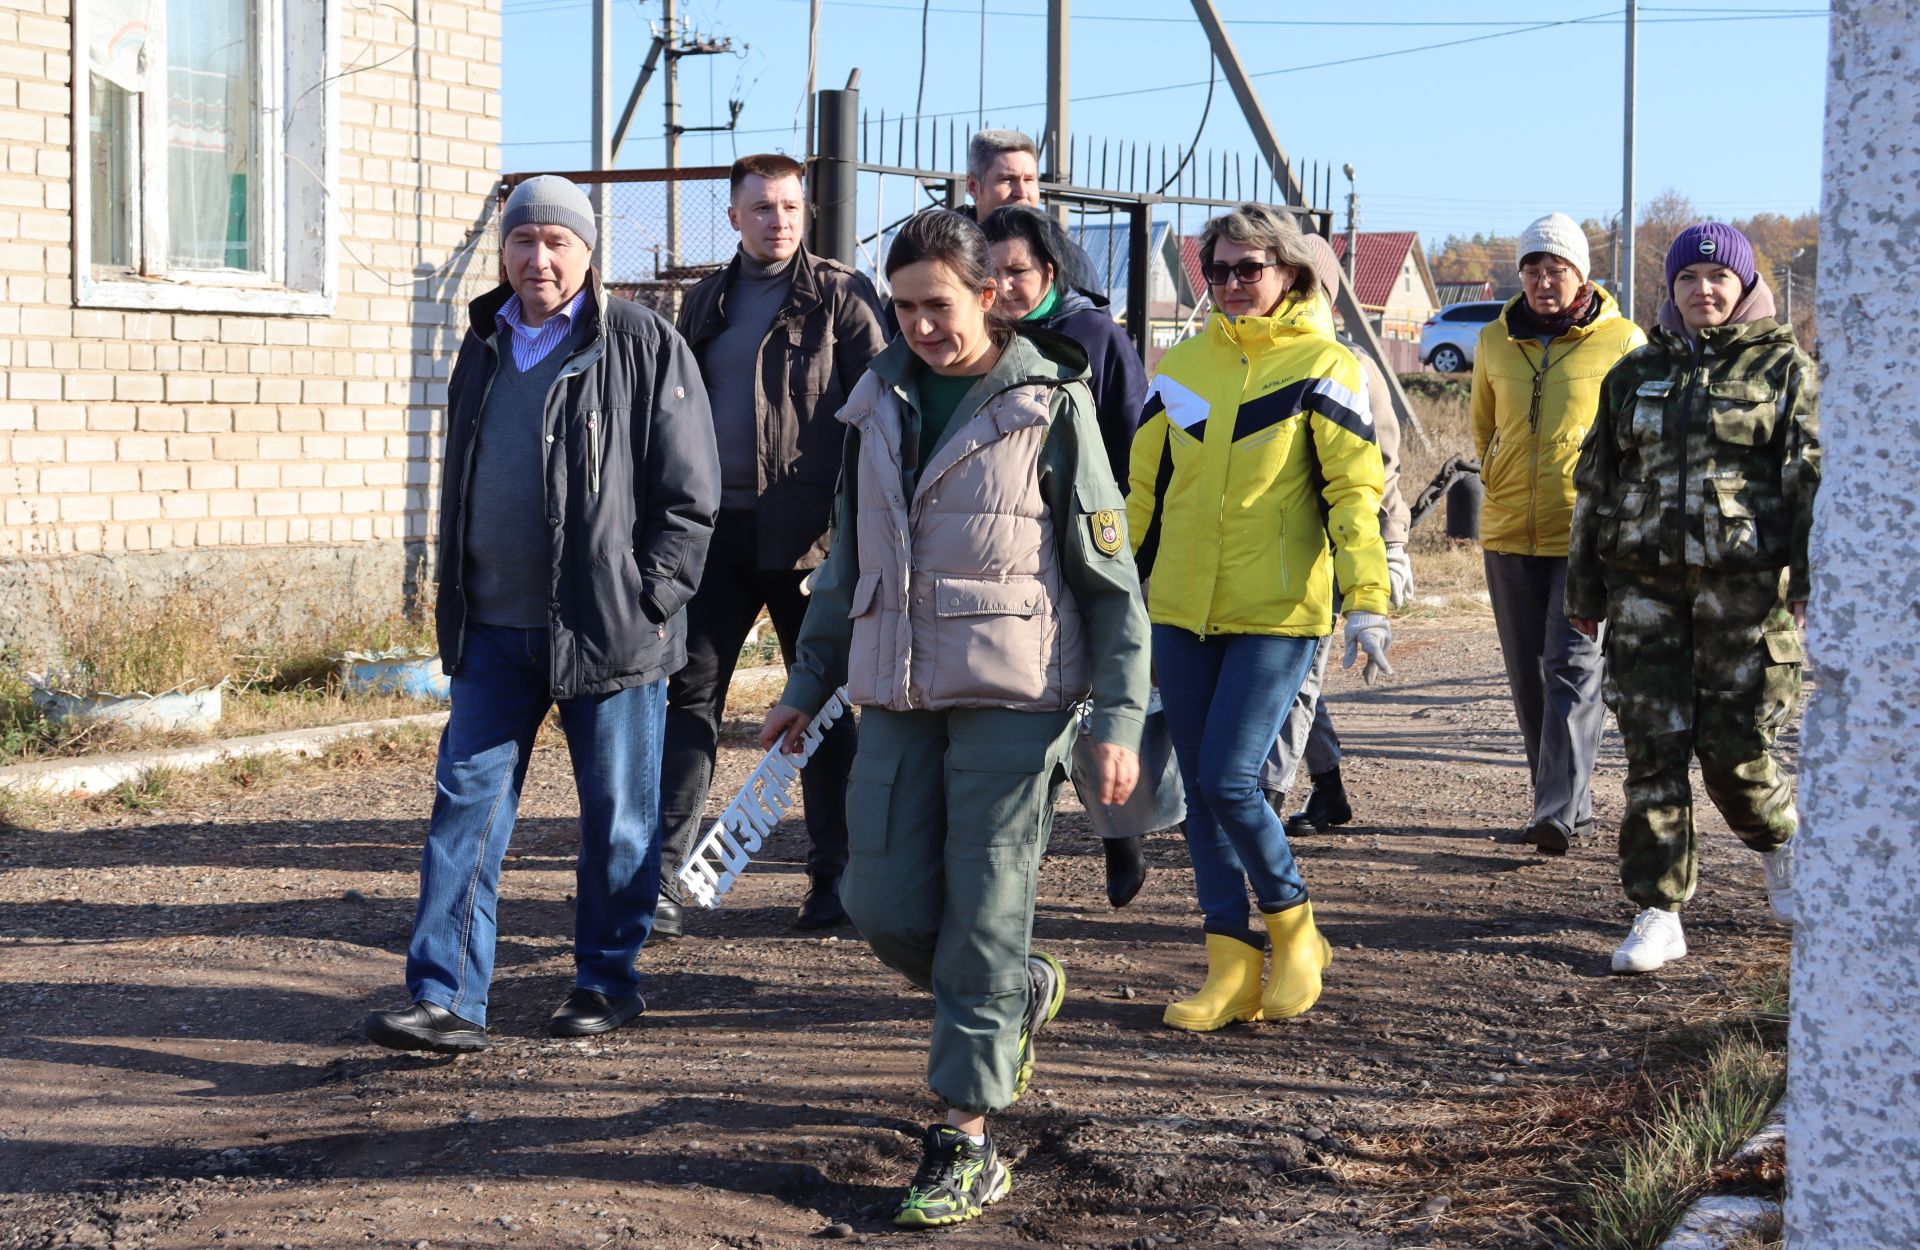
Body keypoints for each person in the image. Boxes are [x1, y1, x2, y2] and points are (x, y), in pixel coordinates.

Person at [760, 209, 1150, 1228]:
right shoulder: (875, 401)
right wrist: (805, 686)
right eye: (905, 306)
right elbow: (847, 565)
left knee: (981, 913)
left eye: (939, 303)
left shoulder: (1049, 403)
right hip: (893, 689)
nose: (922, 325)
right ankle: (1016, 987)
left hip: (1017, 700)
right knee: (879, 900)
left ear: (989, 294)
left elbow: (1111, 583)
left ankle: (966, 1138)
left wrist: (1118, 714)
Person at [363, 176, 718, 1053]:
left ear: (590, 253)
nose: (539, 258)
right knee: (465, 808)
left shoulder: (640, 341)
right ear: (504, 252)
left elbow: (690, 496)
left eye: (558, 242)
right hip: (492, 628)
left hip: (610, 631)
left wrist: (648, 598)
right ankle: (446, 996)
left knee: (617, 817)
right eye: (524, 241)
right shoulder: (483, 343)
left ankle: (607, 980)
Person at [1128, 204, 1392, 1033]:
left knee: (1230, 779)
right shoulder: (1180, 366)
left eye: (1251, 268)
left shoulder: (1328, 365)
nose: (1235, 283)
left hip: (1279, 612)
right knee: (1196, 796)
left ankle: (1296, 928)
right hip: (1178, 609)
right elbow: (1141, 496)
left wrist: (1369, 604)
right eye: (1220, 270)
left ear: (1290, 273)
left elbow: (1355, 496)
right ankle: (1230, 964)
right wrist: (1109, 593)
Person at [1566, 222, 1819, 974]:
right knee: (1653, 748)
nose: (1703, 290)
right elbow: (1596, 484)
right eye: (1687, 280)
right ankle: (1659, 909)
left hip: (1743, 599)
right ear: (1671, 291)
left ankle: (1782, 844)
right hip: (1645, 594)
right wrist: (1585, 585)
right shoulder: (1635, 372)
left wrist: (1810, 584)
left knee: (1736, 752)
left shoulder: (1784, 370)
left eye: (1718, 277)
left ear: (1744, 285)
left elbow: (1809, 483)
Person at [656, 154, 887, 937]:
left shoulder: (845, 297)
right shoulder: (702, 301)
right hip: (713, 532)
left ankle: (836, 880)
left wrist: (859, 526)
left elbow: (880, 411)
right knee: (688, 696)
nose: (777, 220)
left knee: (818, 707)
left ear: (804, 212)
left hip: (810, 538)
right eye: (760, 208)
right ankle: (660, 877)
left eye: (789, 206)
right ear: (733, 216)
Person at [981, 205, 1163, 906]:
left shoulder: (1093, 337)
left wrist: (1124, 539)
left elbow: (1135, 439)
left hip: (1085, 537)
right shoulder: (983, 342)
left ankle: (1123, 834)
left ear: (1048, 271)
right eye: (990, 274)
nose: (1005, 285)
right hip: (1008, 545)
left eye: (1017, 272)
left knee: (1096, 696)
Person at [1471, 212, 1646, 854]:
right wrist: (1498, 470)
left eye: (1558, 268)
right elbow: (1482, 426)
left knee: (1572, 668)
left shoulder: (1625, 341)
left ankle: (1554, 811)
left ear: (1582, 274)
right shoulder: (1494, 340)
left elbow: (1638, 437)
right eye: (1534, 269)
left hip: (1586, 535)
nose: (1545, 280)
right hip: (1509, 530)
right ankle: (1573, 801)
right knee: (1528, 677)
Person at [1259, 233, 1415, 834]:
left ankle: (1266, 803)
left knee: (1297, 679)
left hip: (1327, 551)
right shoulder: (1258, 357)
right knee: (1293, 675)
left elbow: (1381, 469)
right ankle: (1329, 790)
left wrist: (1391, 549)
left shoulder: (1354, 366)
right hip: (1266, 550)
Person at [964, 129, 1042, 220]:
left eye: (1029, 180)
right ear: (973, 187)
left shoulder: (1054, 233)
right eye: (1007, 179)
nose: (1022, 193)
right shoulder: (946, 233)